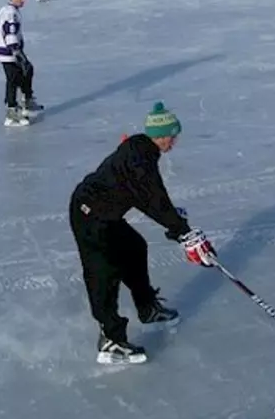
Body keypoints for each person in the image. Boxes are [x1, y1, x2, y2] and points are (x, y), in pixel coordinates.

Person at [68, 102, 216, 364]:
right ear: (161, 135)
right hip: (89, 214)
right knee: (104, 272)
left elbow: (151, 196)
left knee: (135, 248)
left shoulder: (143, 152)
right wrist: (183, 232)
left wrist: (174, 220)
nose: (175, 141)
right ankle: (110, 340)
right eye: (173, 135)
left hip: (106, 214)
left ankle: (147, 308)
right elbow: (151, 198)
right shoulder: (140, 160)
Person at [0, 0, 43, 126]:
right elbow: (10, 32)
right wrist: (16, 51)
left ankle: (26, 100)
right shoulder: (10, 13)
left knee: (26, 71)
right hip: (8, 52)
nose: (24, 1)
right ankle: (12, 111)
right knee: (14, 79)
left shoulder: (8, 10)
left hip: (9, 51)